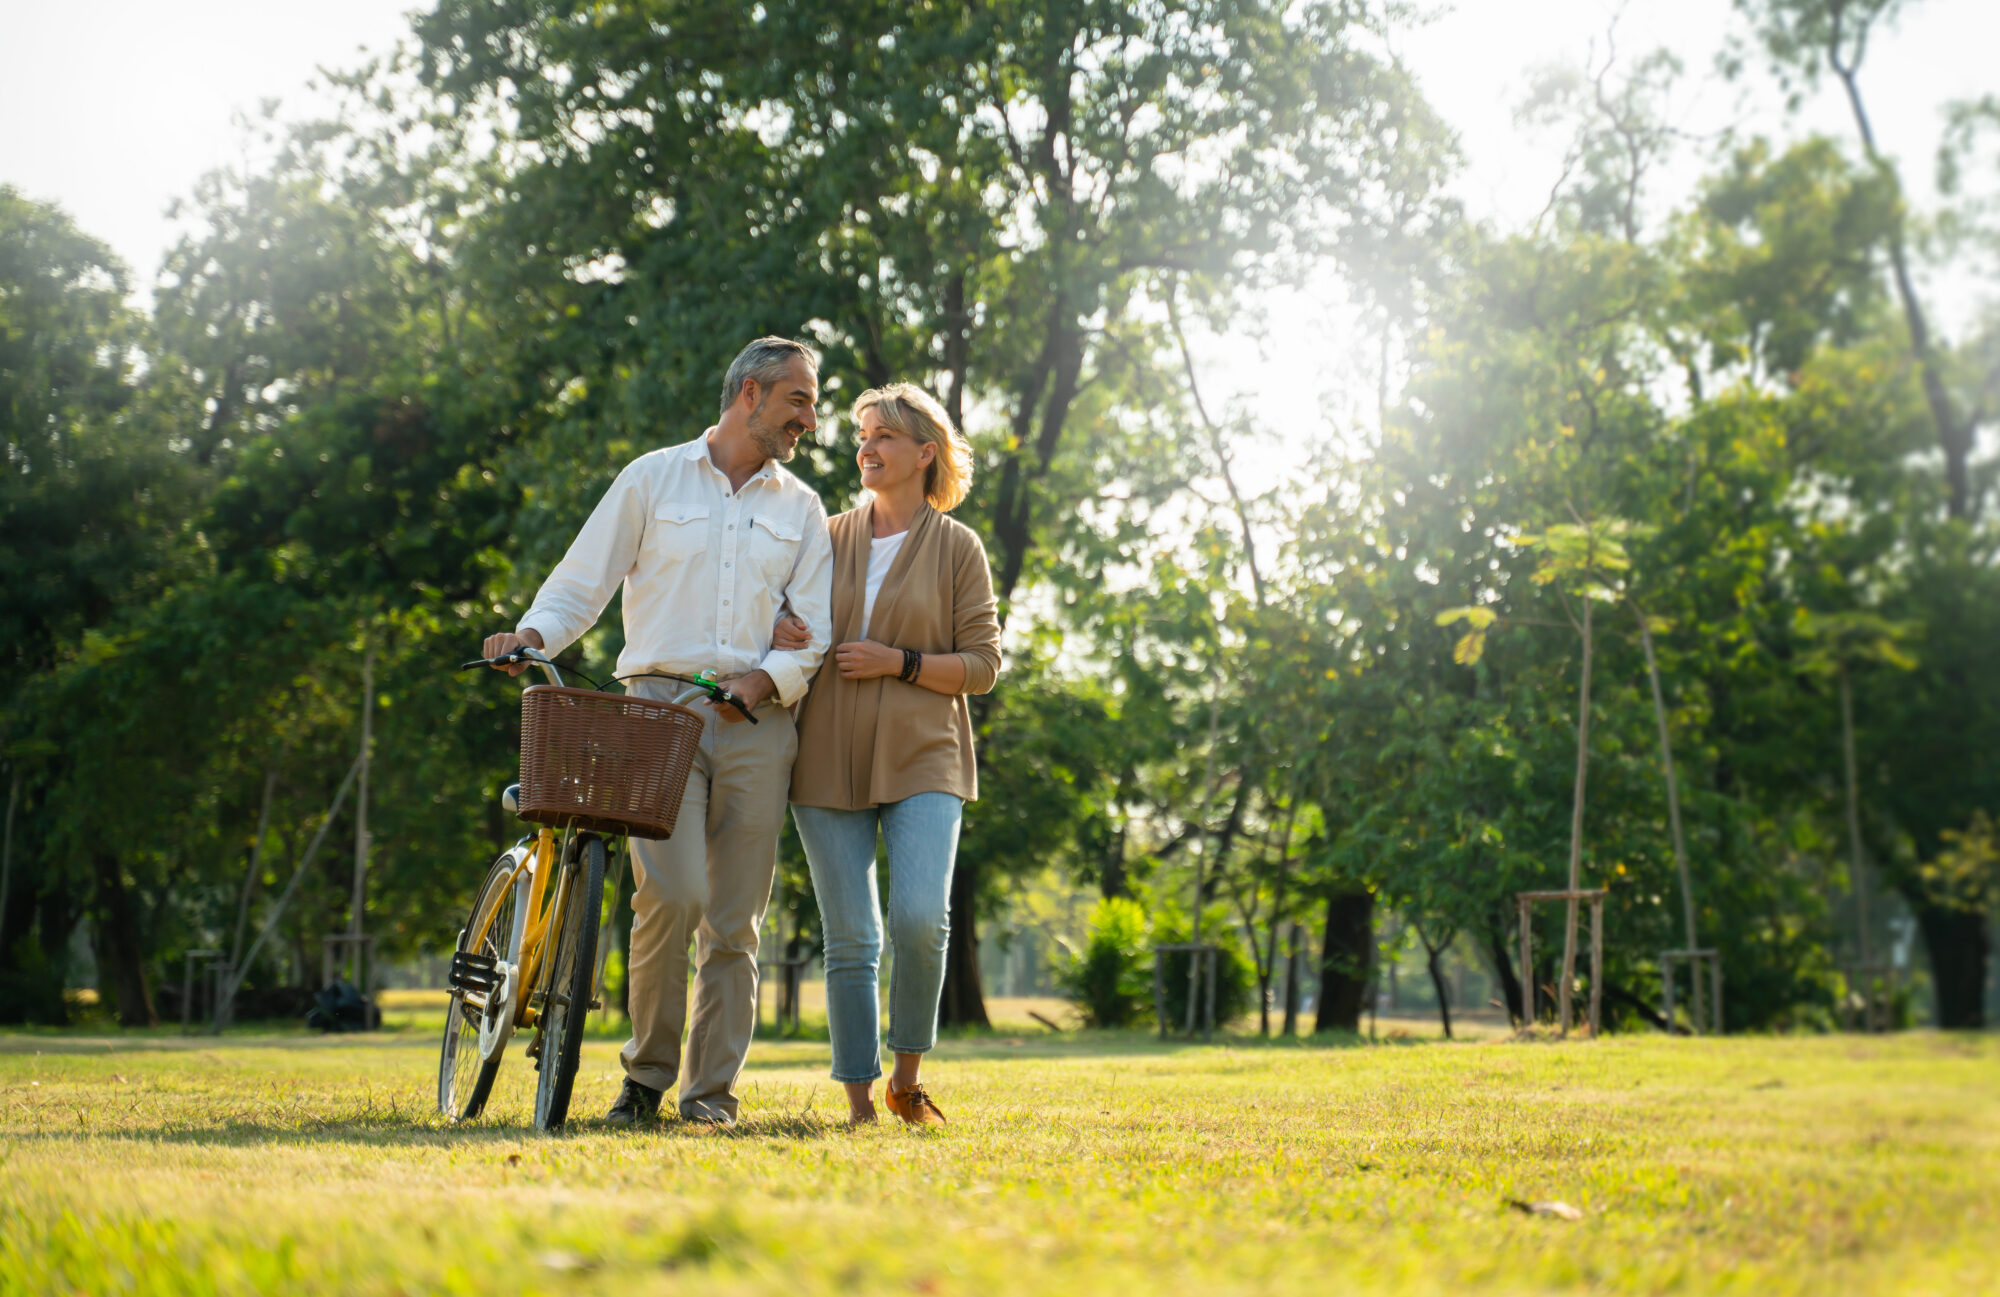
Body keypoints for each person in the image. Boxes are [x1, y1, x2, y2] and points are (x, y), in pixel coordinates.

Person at [480, 337, 833, 1127]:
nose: (810, 418)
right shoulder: (652, 478)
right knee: (671, 894)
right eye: (798, 400)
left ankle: (710, 1097)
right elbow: (583, 579)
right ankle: (644, 1081)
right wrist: (533, 634)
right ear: (749, 392)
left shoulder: (802, 508)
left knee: (735, 922)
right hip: (656, 718)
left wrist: (763, 678)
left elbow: (814, 632)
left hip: (759, 723)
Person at [776, 382, 1002, 1126]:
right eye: (862, 436)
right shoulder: (823, 532)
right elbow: (780, 615)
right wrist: (779, 630)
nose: (866, 448)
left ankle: (909, 1076)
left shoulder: (958, 548)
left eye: (884, 437)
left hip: (924, 754)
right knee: (852, 936)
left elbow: (981, 666)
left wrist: (898, 661)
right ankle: (860, 1103)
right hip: (824, 754)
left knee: (918, 918)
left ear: (924, 453)